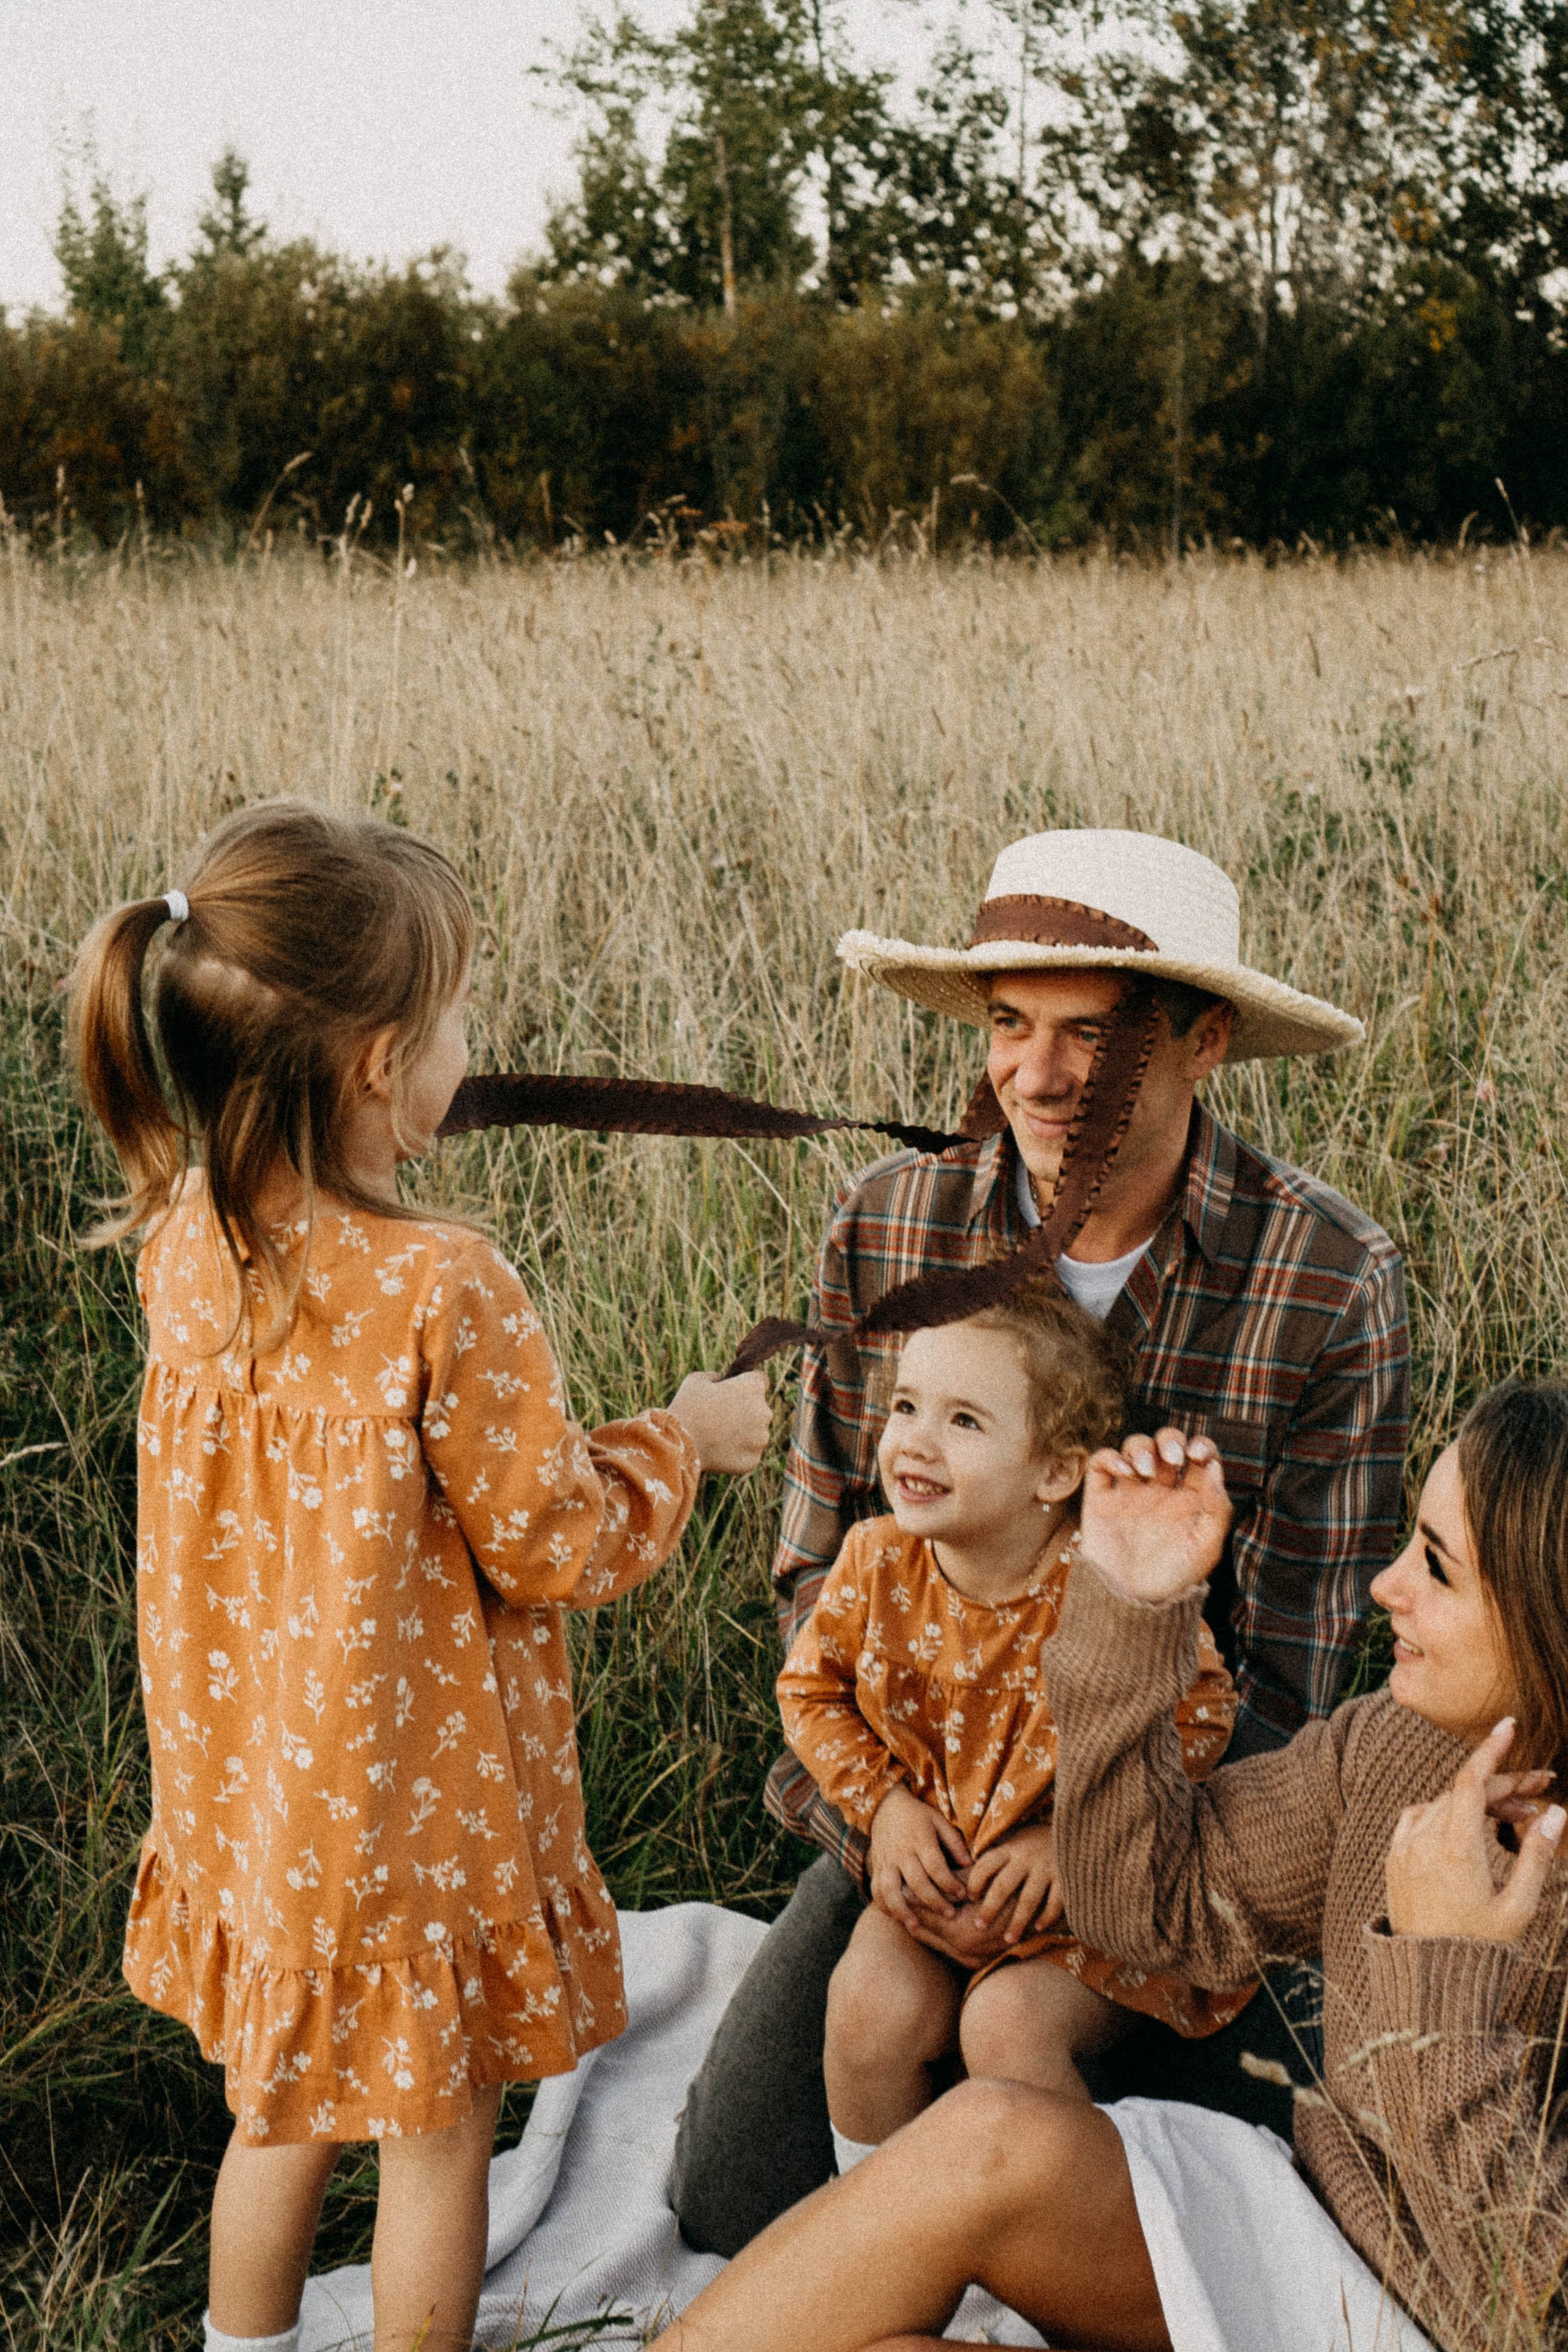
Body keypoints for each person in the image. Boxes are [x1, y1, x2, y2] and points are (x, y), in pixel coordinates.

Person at [67, 802, 771, 2352]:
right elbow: (552, 1540)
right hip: (403, 1817)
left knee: (276, 2111)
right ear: (381, 1061)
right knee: (438, 2130)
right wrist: (684, 1438)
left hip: (249, 1800)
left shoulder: (185, 1239)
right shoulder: (445, 1284)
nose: (471, 1046)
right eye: (458, 1017)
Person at [671, 826, 1411, 2252]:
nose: (1039, 1074)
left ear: (1200, 1042)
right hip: (924, 1816)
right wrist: (880, 1819)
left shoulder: (1324, 1278)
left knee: (1280, 2212)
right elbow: (816, 1575)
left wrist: (1093, 1851)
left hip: (1170, 1840)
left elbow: (1293, 1678)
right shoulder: (887, 1227)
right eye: (1010, 1025)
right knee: (730, 2197)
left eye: (1095, 1035)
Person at [648, 1378, 1568, 2352]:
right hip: (1316, 2230)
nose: (1389, 1588)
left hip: (1441, 2327)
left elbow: (1537, 2313)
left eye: (1438, 1566)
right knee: (982, 2146)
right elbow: (1153, 1907)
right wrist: (1134, 1610)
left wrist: (1446, 1985)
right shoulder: (1397, 1747)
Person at [780, 1283, 1246, 2173]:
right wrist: (883, 1811)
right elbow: (810, 1691)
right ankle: (881, 2240)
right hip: (938, 1870)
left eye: (963, 1422)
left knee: (1009, 2025)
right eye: (907, 1405)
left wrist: (1075, 1845)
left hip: (1080, 1897)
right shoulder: (878, 1563)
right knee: (869, 2003)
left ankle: (1043, 2266)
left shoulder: (1105, 1586)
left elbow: (1203, 1712)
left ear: (1057, 1473)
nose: (913, 1439)